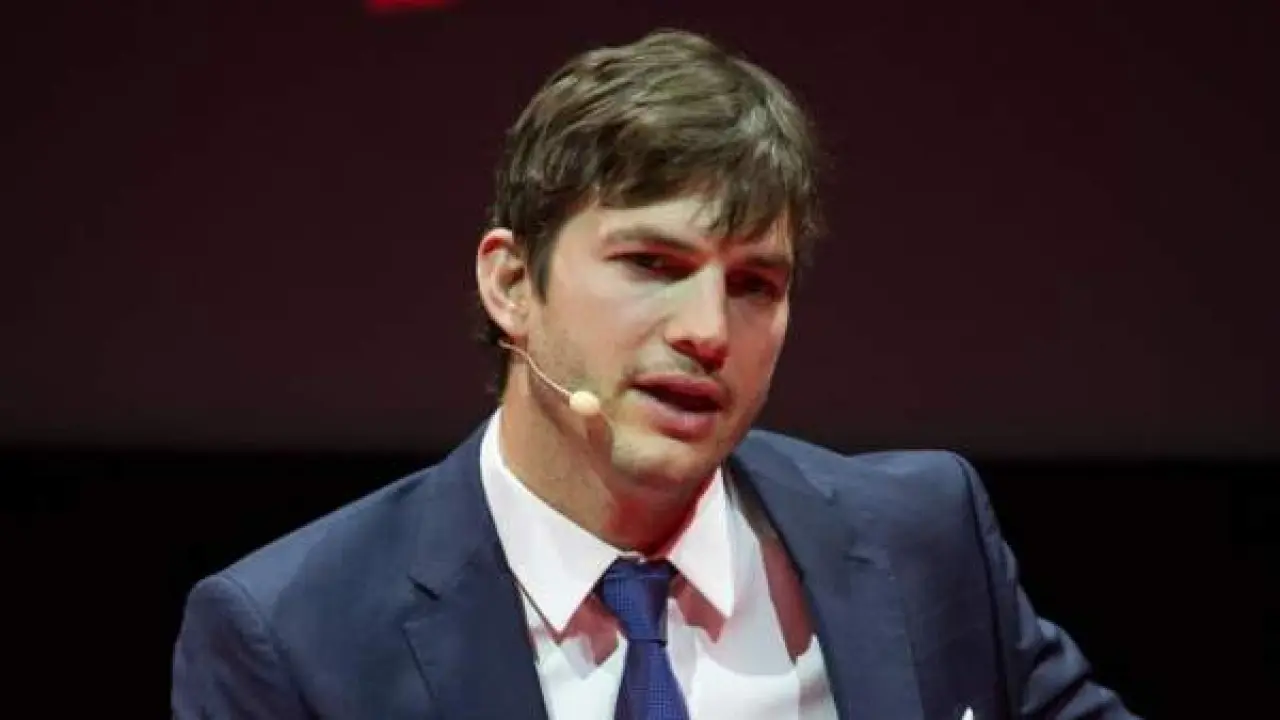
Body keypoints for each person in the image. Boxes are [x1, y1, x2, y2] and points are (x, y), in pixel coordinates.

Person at [172, 29, 1139, 719]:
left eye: (754, 284)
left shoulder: (923, 539)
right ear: (511, 284)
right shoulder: (292, 637)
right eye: (652, 265)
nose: (709, 331)